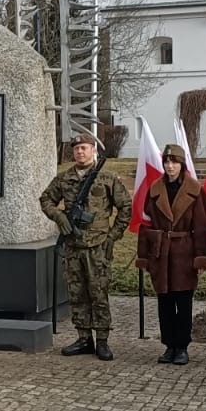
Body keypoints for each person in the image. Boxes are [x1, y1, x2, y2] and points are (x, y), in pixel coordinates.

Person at [39, 130, 131, 361]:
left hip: (98, 246)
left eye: (84, 148)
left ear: (93, 151)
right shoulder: (64, 178)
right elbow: (46, 199)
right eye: (76, 149)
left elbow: (126, 207)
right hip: (73, 246)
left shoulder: (107, 178)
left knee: (98, 293)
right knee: (77, 294)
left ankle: (102, 340)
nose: (80, 152)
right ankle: (83, 338)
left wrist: (112, 236)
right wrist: (59, 216)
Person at [135, 143, 206, 365]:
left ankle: (182, 346)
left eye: (174, 162)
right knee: (165, 301)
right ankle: (169, 345)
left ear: (182, 164)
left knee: (183, 301)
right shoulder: (155, 189)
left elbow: (202, 227)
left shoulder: (195, 190)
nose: (170, 166)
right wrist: (144, 256)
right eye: (167, 162)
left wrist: (201, 257)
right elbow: (146, 225)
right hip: (160, 253)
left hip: (184, 252)